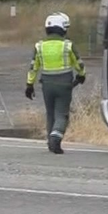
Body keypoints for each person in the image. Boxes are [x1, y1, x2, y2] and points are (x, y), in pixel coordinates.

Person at [25, 12, 86, 154]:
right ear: (63, 29)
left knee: (50, 113)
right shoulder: (67, 45)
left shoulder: (39, 46)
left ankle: (50, 142)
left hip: (46, 84)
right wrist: (81, 76)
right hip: (64, 83)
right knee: (62, 114)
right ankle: (55, 136)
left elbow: (33, 67)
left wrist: (29, 85)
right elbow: (79, 64)